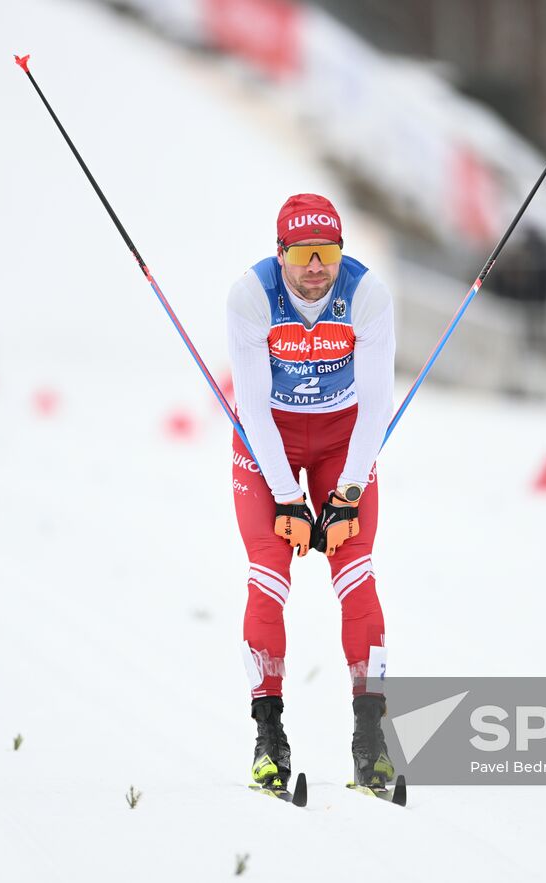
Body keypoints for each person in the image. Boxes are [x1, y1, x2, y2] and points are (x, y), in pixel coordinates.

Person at [226, 193, 395, 794]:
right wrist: (288, 500)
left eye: (327, 253)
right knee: (269, 575)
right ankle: (268, 738)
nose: (316, 267)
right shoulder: (251, 296)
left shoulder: (368, 295)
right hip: (266, 439)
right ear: (281, 255)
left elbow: (376, 404)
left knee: (357, 576)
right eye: (302, 255)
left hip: (341, 439)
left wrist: (346, 494)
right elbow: (250, 405)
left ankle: (369, 739)